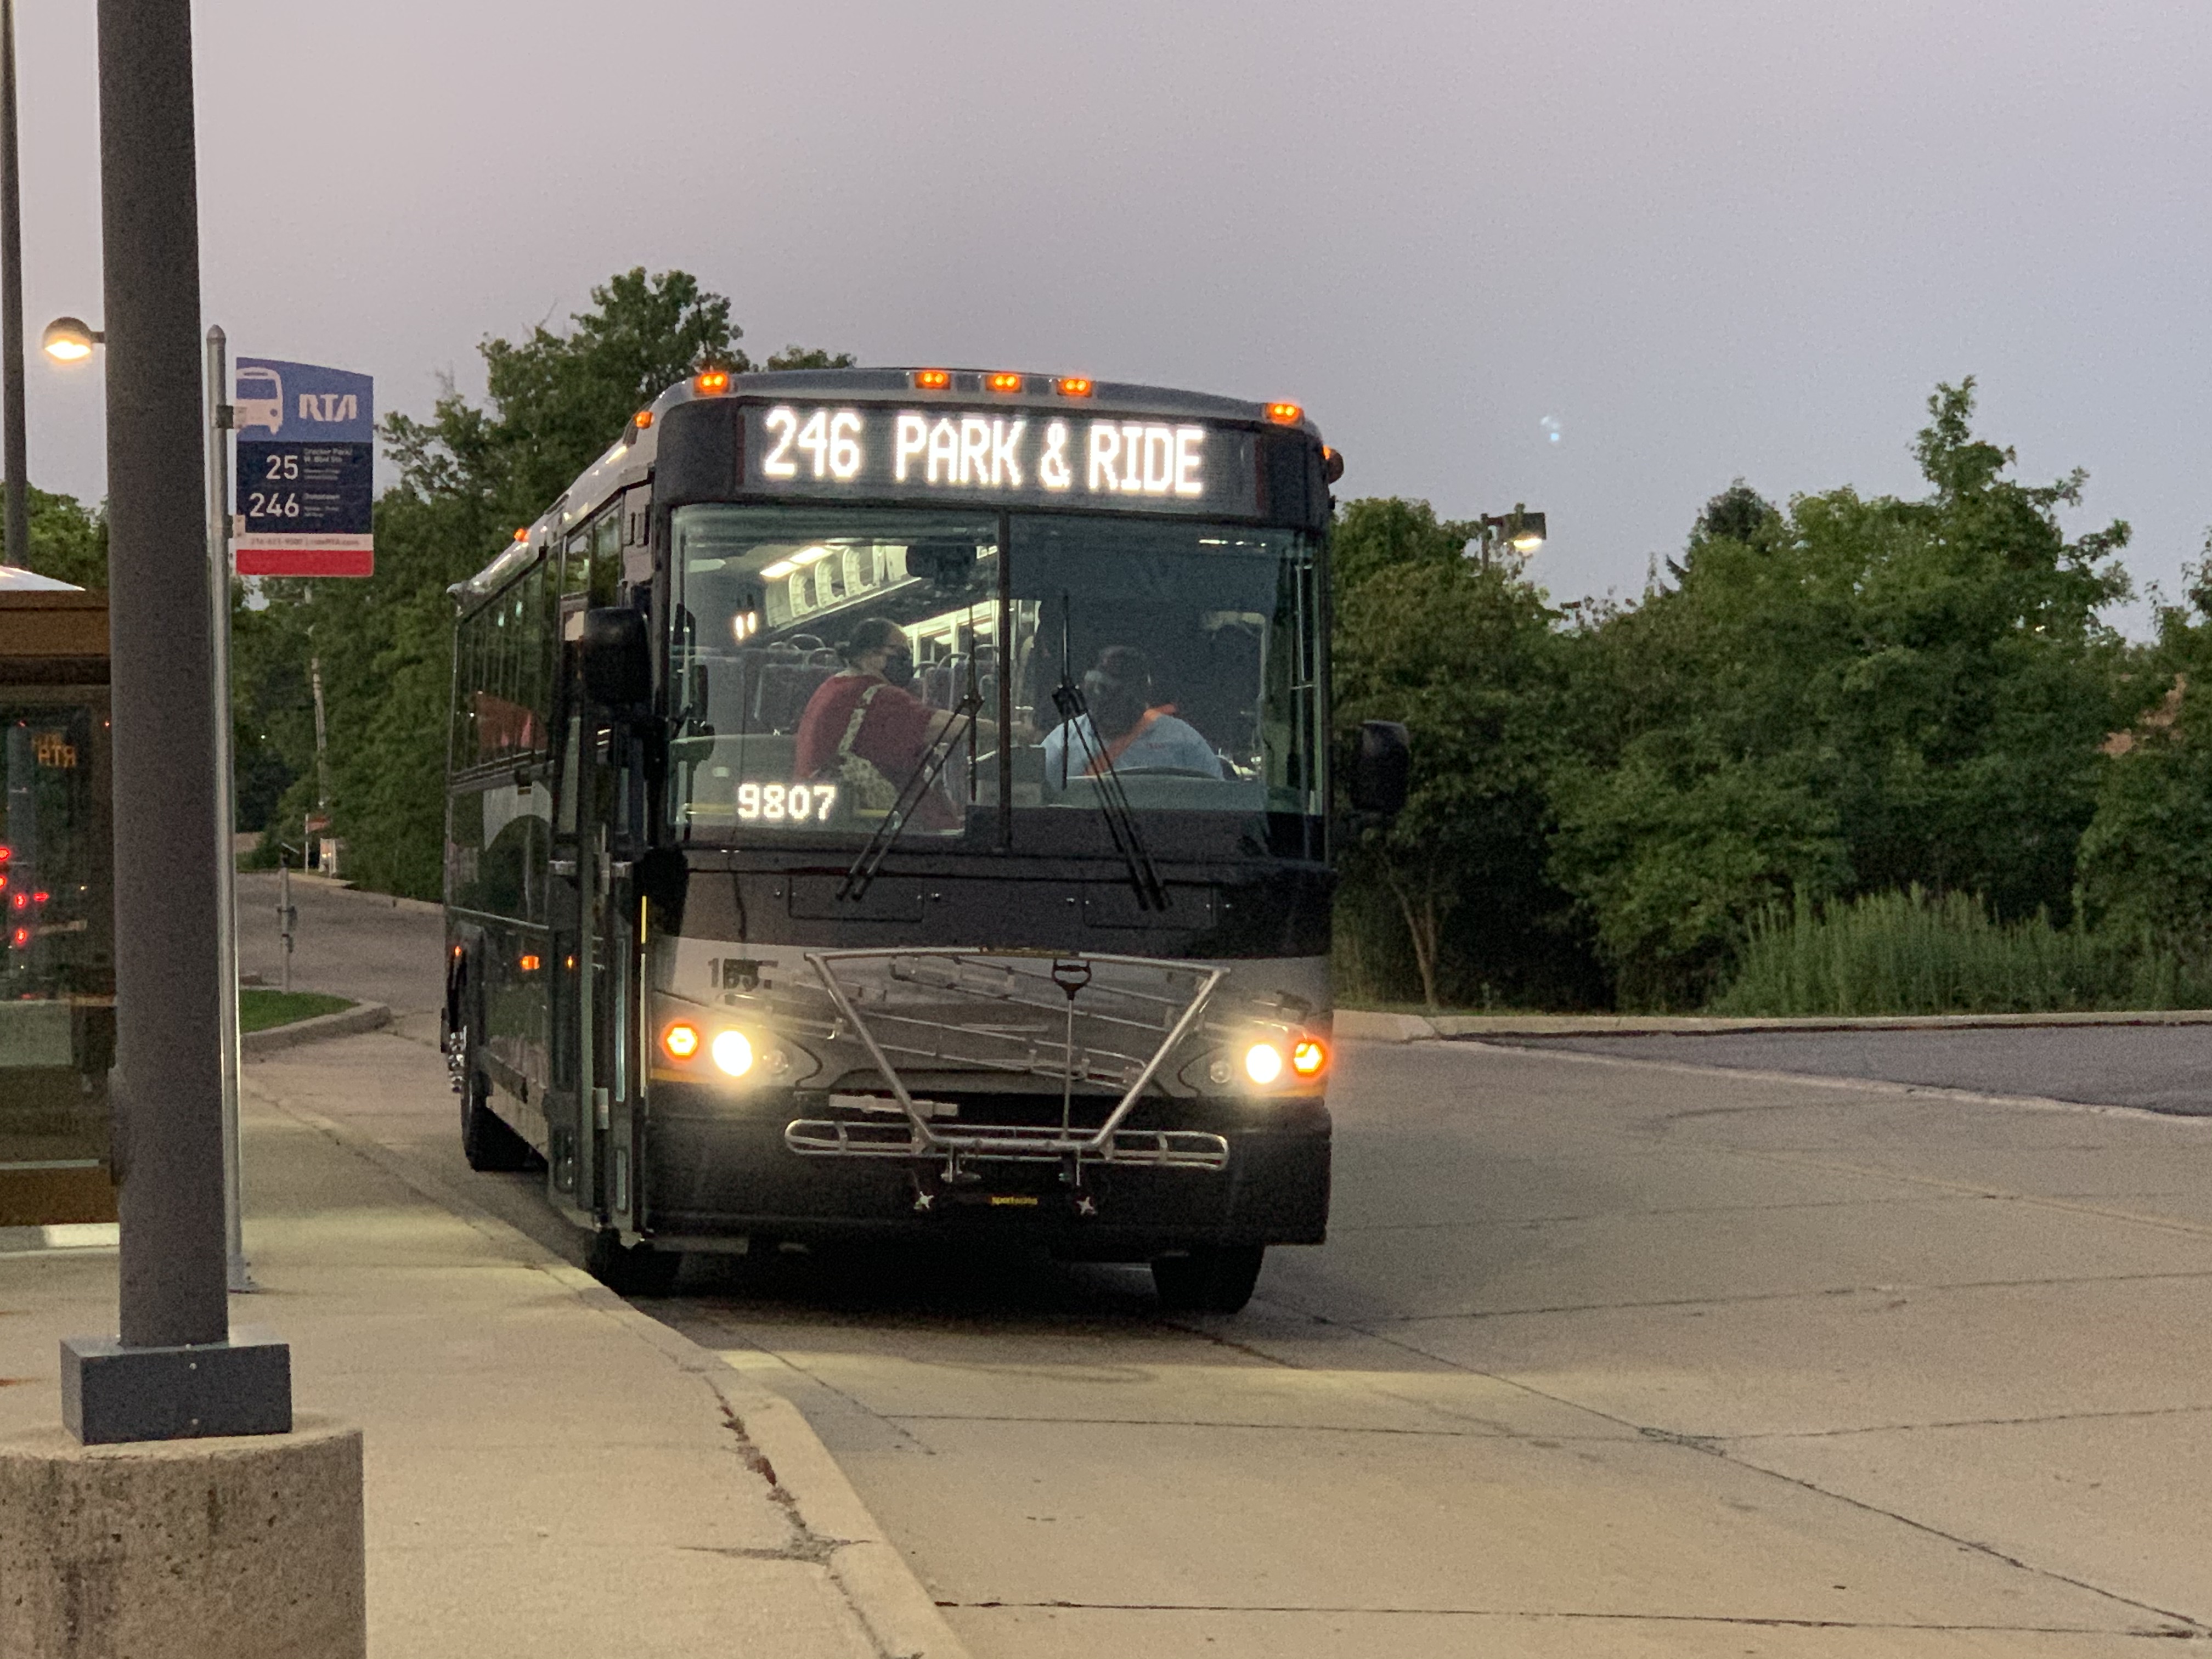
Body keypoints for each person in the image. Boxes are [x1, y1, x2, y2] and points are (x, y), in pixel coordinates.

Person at [795, 617, 975, 827]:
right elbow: (939, 725)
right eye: (901, 654)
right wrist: (1001, 729)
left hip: (820, 811)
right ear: (870, 655)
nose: (907, 663)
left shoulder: (831, 686)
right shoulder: (877, 695)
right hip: (870, 824)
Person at [1043, 646, 1222, 782]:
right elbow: (1038, 795)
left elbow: (1216, 799)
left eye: (1122, 691)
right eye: (1103, 689)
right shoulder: (1063, 742)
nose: (1112, 699)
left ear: (1144, 693)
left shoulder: (1183, 741)